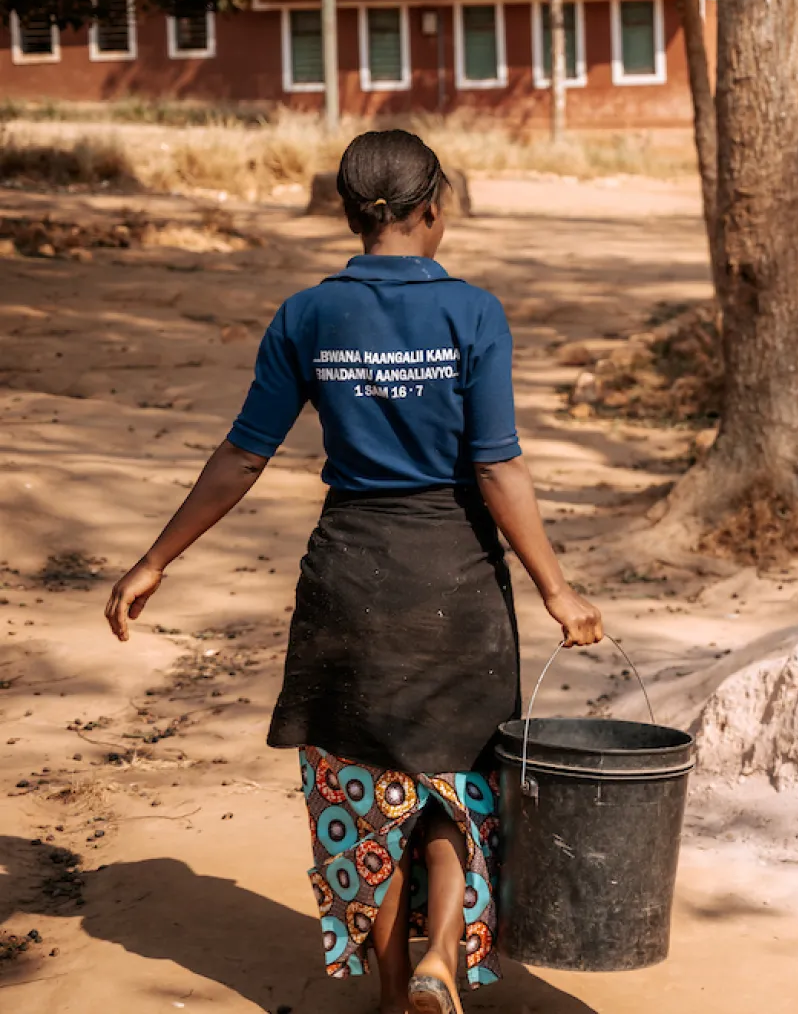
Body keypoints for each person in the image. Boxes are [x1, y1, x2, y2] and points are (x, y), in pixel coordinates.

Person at [104, 129, 602, 1014]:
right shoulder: (473, 313)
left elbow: (243, 456)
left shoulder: (306, 315)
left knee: (367, 793)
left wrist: (154, 561)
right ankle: (439, 959)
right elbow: (496, 467)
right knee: (460, 784)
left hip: (348, 583)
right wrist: (556, 590)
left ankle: (384, 989)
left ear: (348, 214)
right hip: (453, 584)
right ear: (434, 209)